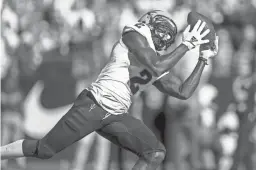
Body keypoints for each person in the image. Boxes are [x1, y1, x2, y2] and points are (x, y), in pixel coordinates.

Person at [0, 10, 218, 170]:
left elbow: (183, 91)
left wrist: (203, 58)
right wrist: (187, 45)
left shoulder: (155, 57)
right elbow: (157, 65)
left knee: (155, 153)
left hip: (115, 115)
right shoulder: (134, 35)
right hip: (94, 104)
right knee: (44, 150)